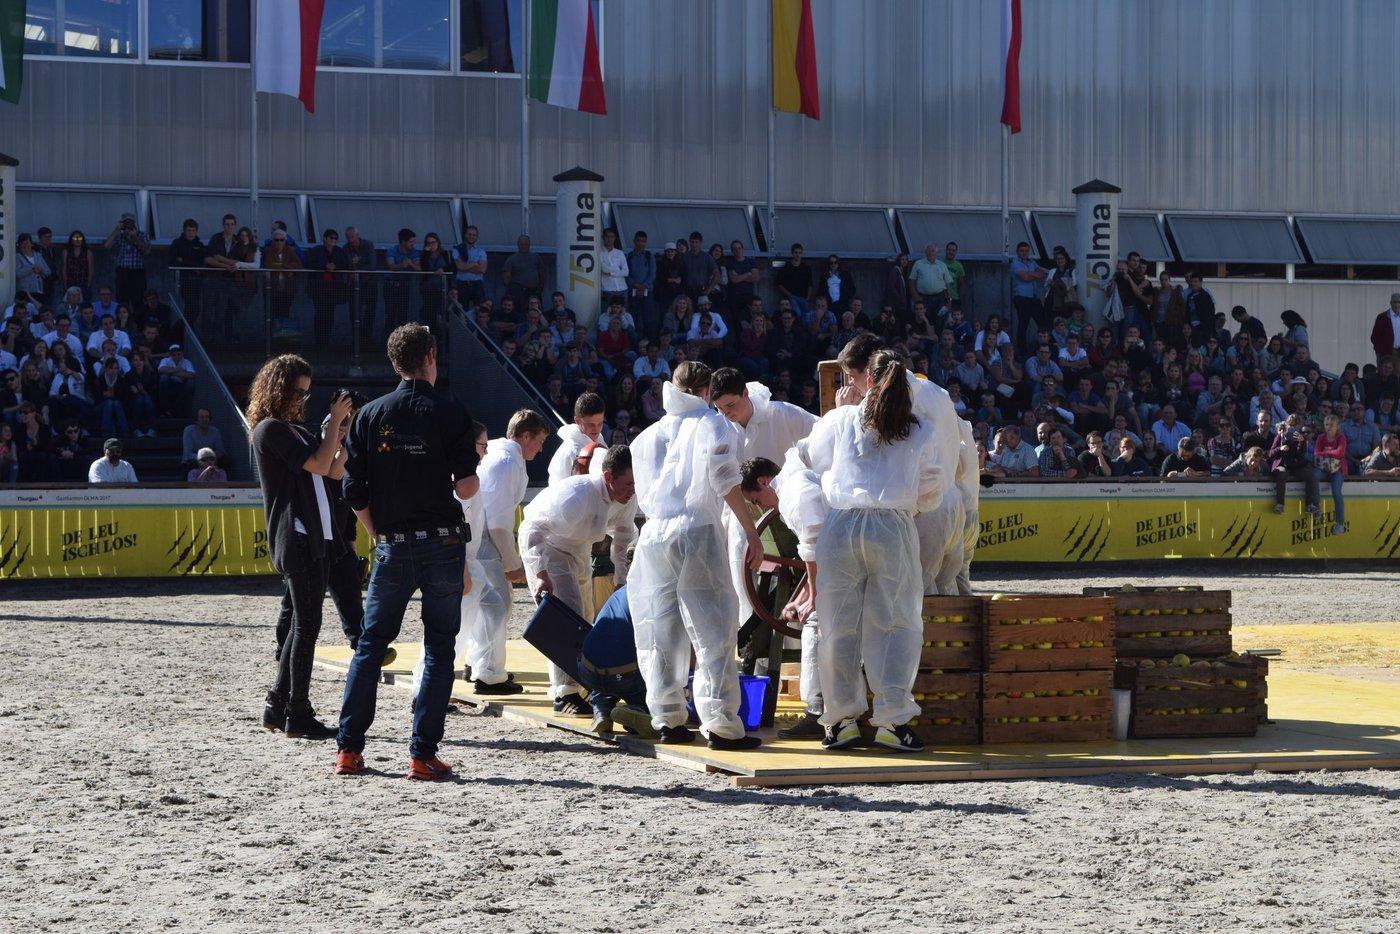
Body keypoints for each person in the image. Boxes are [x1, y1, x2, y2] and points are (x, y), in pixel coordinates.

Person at [778, 350, 946, 752]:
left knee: (837, 625)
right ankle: (892, 722)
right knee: (897, 624)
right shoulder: (920, 429)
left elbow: (806, 457)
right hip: (893, 525)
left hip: (841, 525)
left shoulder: (840, 420)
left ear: (866, 380)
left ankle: (841, 722)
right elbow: (932, 490)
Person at [335, 323, 479, 781]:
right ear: (430, 356)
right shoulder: (450, 412)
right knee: (439, 647)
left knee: (371, 645)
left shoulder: (370, 414)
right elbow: (466, 487)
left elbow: (353, 489)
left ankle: (349, 750)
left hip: (394, 545)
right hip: (442, 541)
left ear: (395, 363)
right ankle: (422, 754)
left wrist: (376, 531)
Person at [629, 362, 765, 750]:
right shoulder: (712, 423)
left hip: (654, 535)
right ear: (707, 391)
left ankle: (667, 717)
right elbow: (724, 480)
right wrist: (751, 531)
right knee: (713, 628)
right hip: (697, 531)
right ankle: (721, 724)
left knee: (660, 628)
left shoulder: (647, 436)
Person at [709, 368, 820, 735]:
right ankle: (753, 664)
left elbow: (824, 438)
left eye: (731, 405)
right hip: (742, 519)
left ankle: (795, 674)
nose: (727, 414)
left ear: (745, 393)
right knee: (744, 596)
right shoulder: (720, 428)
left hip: (789, 514)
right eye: (720, 409)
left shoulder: (783, 415)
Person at [248, 356, 353, 739]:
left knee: (301, 624)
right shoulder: (270, 430)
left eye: (305, 393)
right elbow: (320, 465)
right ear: (278, 389)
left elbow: (333, 469)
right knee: (307, 625)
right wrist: (333, 427)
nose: (301, 400)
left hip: (315, 534)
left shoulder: (295, 431)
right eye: (297, 392)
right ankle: (297, 711)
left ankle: (278, 705)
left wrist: (342, 435)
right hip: (298, 535)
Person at [519, 444, 638, 715]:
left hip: (581, 551)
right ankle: (564, 693)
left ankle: (583, 684)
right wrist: (540, 574)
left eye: (635, 483)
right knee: (566, 617)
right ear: (608, 477)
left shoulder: (626, 499)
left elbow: (622, 539)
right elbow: (530, 529)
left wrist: (621, 581)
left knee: (585, 617)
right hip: (549, 548)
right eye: (628, 483)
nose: (632, 490)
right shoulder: (575, 494)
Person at [455, 409, 550, 692]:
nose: (541, 448)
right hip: (483, 538)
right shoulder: (507, 462)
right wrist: (512, 564)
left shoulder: (502, 455)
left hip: (480, 536)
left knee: (488, 605)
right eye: (539, 441)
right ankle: (487, 672)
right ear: (525, 436)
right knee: (497, 606)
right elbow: (498, 524)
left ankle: (479, 664)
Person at [547, 392, 606, 482]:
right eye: (591, 424)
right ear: (577, 421)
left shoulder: (599, 439)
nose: (596, 428)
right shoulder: (572, 449)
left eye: (600, 423)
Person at [1269, 414, 1318, 516]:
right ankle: (1280, 504)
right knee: (1282, 473)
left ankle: (1309, 505)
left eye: (1296, 425)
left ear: (1299, 426)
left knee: (1310, 476)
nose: (1293, 427)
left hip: (1296, 465)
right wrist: (1280, 448)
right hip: (1283, 464)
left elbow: (1301, 456)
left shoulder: (1301, 438)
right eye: (1291, 425)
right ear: (1287, 425)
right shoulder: (1280, 436)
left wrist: (1301, 443)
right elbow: (1271, 454)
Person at [1315, 414, 1348, 535]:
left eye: (1331, 425)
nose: (1328, 427)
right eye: (1326, 424)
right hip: (1323, 467)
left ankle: (1339, 523)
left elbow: (1340, 452)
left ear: (1337, 426)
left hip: (1338, 469)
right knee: (1313, 476)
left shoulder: (1341, 438)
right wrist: (1330, 453)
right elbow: (1316, 452)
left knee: (1336, 493)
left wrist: (1325, 452)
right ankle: (1316, 506)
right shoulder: (1321, 437)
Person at [1369, 294, 1400, 364]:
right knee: (1386, 370)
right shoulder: (1382, 317)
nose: (1397, 305)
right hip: (1387, 353)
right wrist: (1379, 351)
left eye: (1399, 302)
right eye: (1394, 302)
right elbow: (1375, 337)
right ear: (1390, 303)